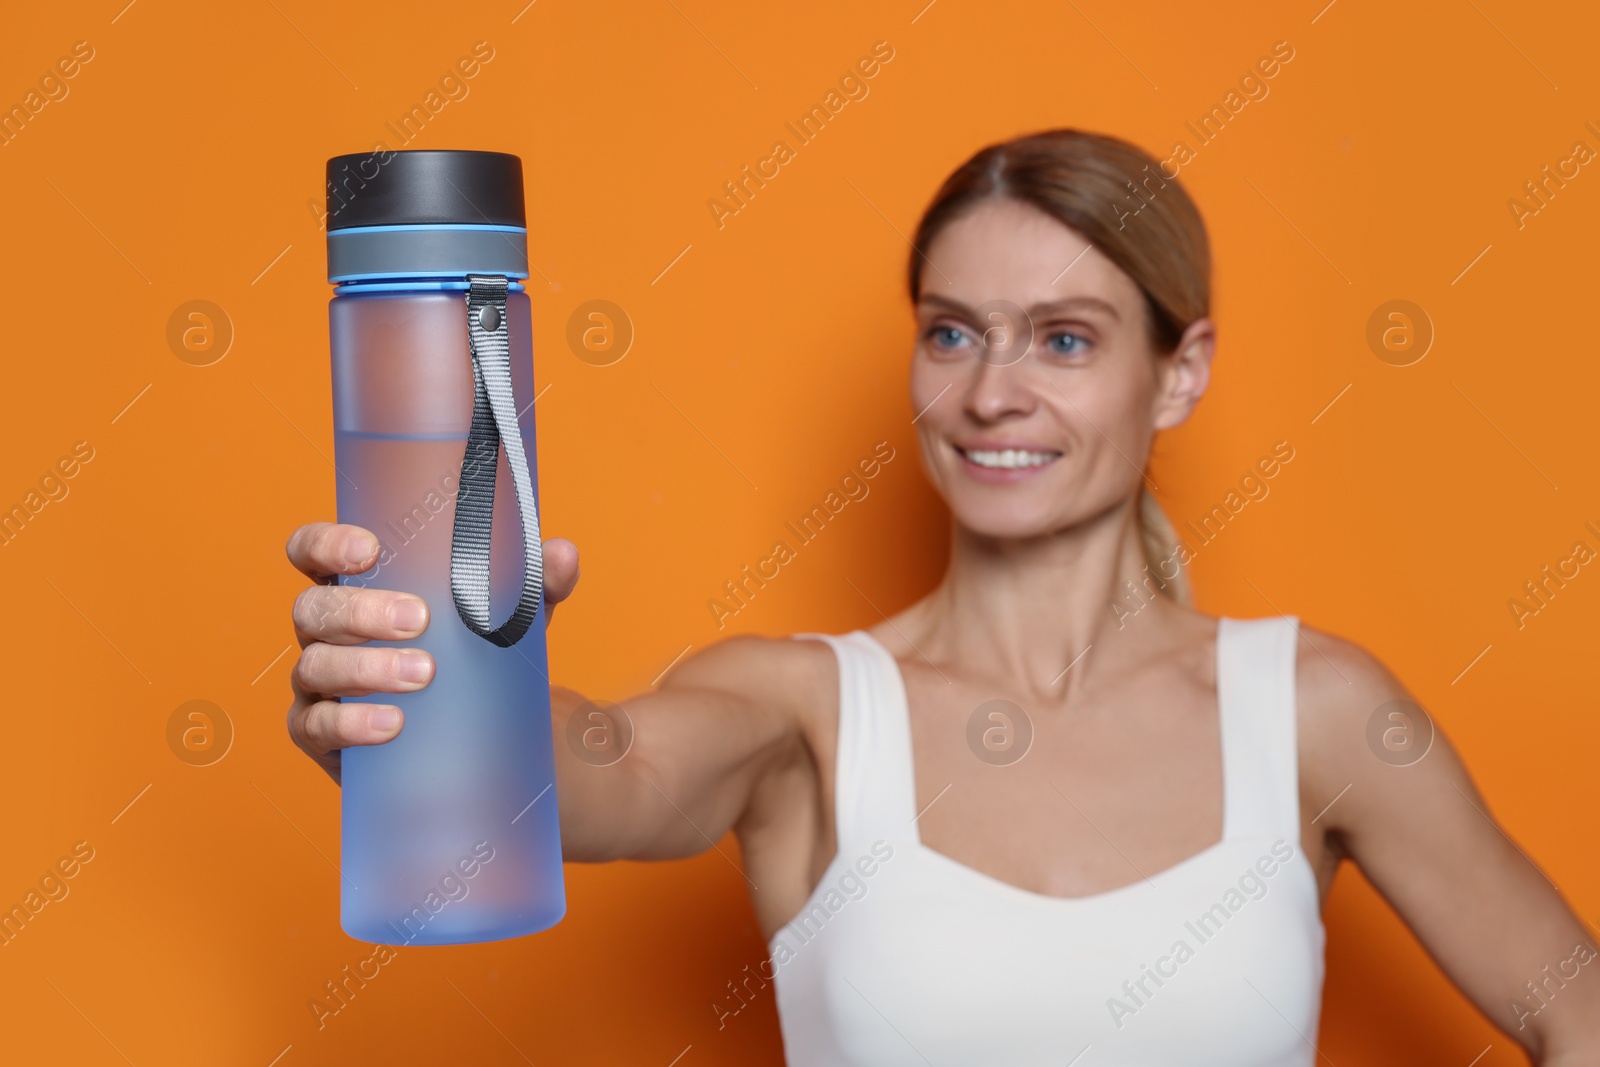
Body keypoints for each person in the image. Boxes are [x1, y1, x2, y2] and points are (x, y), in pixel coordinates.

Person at [283, 129, 1599, 1064]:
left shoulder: (1311, 708)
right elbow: (599, 772)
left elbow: (1573, 1003)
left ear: (1181, 371)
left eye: (1065, 339)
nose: (989, 395)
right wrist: (428, 690)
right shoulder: (804, 710)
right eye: (952, 330)